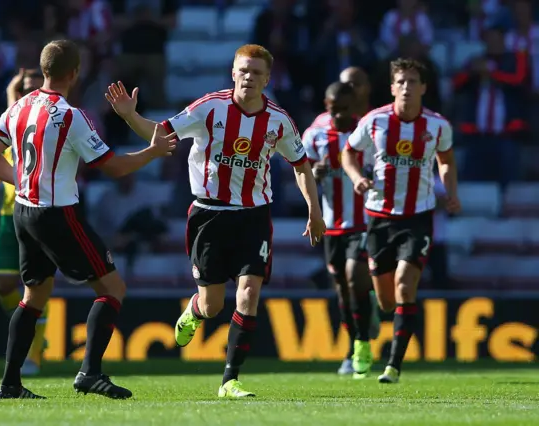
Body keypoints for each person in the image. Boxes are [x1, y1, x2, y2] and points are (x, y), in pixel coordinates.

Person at [105, 44, 326, 398]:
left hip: (254, 216)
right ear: (233, 73)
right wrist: (131, 116)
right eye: (243, 70)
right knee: (212, 305)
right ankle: (194, 310)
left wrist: (314, 210)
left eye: (256, 72)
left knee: (249, 293)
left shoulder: (279, 121)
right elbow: (162, 135)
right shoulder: (209, 107)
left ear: (267, 79)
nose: (249, 77)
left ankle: (230, 380)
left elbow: (301, 165)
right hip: (209, 215)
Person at [0, 39, 177, 399]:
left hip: (23, 210)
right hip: (57, 214)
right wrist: (153, 151)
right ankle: (90, 373)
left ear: (45, 69)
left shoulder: (20, 106)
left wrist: (22, 179)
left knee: (34, 296)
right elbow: (112, 167)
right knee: (113, 288)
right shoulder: (71, 116)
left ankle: (9, 383)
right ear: (75, 73)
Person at [342, 58, 461, 383]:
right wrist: (356, 177)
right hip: (379, 217)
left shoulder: (437, 125)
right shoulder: (375, 121)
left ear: (423, 87)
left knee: (406, 287)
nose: (407, 87)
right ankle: (374, 315)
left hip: (418, 217)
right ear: (393, 87)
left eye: (413, 81)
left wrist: (450, 192)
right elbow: (349, 152)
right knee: (386, 300)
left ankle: (393, 366)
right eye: (401, 82)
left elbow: (446, 160)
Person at [0, 69, 46, 376]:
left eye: (31, 88)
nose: (25, 94)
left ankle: (34, 352)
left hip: (39, 210)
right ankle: (32, 331)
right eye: (21, 89)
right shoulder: (9, 128)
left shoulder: (44, 123)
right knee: (4, 284)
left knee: (37, 285)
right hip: (7, 215)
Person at [302, 81, 377, 378]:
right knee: (342, 290)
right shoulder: (316, 133)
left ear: (355, 106)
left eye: (345, 110)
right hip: (332, 224)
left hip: (363, 220)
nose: (339, 116)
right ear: (326, 104)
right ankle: (354, 341)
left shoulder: (367, 133)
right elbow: (299, 169)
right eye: (334, 110)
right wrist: (313, 174)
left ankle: (360, 345)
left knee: (352, 274)